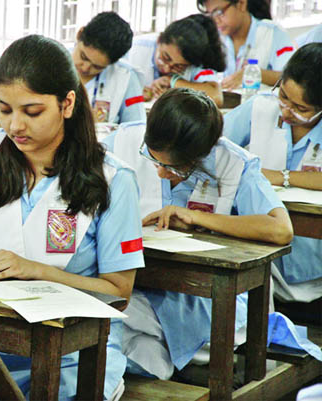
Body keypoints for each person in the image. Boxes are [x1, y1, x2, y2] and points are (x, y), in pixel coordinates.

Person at [0, 34, 144, 400]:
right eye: (4, 110)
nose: (15, 126)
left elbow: (118, 292)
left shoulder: (113, 179)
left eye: (32, 112)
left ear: (67, 103)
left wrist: (38, 270)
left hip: (71, 358)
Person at [101, 88, 322, 379]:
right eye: (153, 159)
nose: (161, 173)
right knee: (126, 329)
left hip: (202, 293)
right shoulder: (120, 142)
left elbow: (281, 229)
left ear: (201, 155)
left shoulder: (233, 163)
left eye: (176, 168)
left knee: (128, 326)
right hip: (139, 282)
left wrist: (199, 218)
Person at [223, 43, 322, 303]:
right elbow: (214, 143)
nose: (287, 111)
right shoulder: (260, 107)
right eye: (284, 97)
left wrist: (281, 176)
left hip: (313, 266)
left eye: (301, 109)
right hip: (259, 249)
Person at [125, 14, 225, 107]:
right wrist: (135, 95)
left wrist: (174, 82)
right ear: (159, 40)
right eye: (165, 58)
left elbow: (216, 97)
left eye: (178, 66)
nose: (166, 69)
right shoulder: (134, 49)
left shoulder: (193, 63)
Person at [197, 0, 295, 89]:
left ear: (241, 4)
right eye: (210, 15)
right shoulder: (213, 37)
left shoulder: (273, 33)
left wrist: (254, 74)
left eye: (219, 12)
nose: (216, 21)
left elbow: (292, 78)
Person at [70, 12, 146, 124]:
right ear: (79, 34)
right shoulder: (52, 61)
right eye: (83, 57)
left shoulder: (126, 78)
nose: (85, 68)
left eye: (97, 67)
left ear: (112, 63)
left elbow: (136, 125)